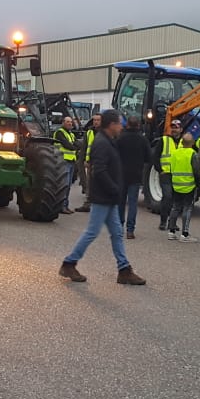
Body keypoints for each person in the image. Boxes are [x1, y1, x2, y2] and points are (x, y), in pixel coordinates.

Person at [60, 109, 146, 285]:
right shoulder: (102, 144)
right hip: (103, 197)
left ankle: (124, 270)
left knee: (116, 233)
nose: (121, 127)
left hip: (109, 198)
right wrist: (114, 188)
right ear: (112, 125)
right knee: (92, 232)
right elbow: (98, 170)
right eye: (119, 124)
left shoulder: (109, 141)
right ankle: (69, 263)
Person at [116, 115, 152, 239]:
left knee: (120, 203)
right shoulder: (142, 140)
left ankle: (119, 228)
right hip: (136, 175)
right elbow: (149, 158)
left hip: (121, 174)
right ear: (138, 125)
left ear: (127, 125)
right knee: (132, 204)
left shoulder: (120, 138)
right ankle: (130, 230)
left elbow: (114, 155)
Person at [165, 133, 200, 242]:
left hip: (176, 184)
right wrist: (198, 183)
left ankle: (171, 231)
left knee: (175, 207)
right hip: (189, 185)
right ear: (192, 143)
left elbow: (171, 169)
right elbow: (196, 170)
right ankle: (184, 234)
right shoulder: (192, 154)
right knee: (187, 208)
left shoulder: (175, 153)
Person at [154, 120, 184, 231]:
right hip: (166, 174)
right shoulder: (164, 140)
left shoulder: (184, 142)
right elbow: (156, 156)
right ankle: (163, 222)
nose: (174, 129)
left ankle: (173, 223)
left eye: (176, 127)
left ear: (181, 129)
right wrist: (160, 169)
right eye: (173, 127)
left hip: (178, 175)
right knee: (167, 197)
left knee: (177, 200)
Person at [74, 114, 103, 212]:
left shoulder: (105, 132)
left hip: (101, 163)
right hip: (90, 163)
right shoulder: (89, 132)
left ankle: (99, 205)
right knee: (89, 184)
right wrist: (82, 161)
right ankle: (88, 204)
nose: (95, 122)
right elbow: (84, 148)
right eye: (94, 120)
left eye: (98, 120)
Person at [53, 116, 78, 214]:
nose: (70, 124)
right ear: (63, 122)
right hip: (62, 161)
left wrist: (75, 146)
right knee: (64, 185)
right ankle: (61, 206)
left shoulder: (71, 134)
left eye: (71, 122)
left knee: (68, 185)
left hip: (71, 161)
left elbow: (76, 144)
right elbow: (67, 145)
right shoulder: (60, 132)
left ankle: (65, 206)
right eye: (67, 122)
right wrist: (74, 147)